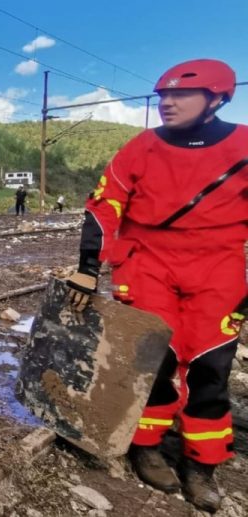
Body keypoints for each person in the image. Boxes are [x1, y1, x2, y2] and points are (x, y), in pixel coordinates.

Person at [65, 59, 247, 512]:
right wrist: (87, 267)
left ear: (218, 98)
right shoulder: (141, 148)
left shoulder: (244, 145)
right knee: (155, 357)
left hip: (220, 268)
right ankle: (145, 443)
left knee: (209, 369)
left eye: (180, 95)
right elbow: (105, 205)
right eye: (162, 95)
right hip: (146, 263)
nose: (166, 102)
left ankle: (202, 464)